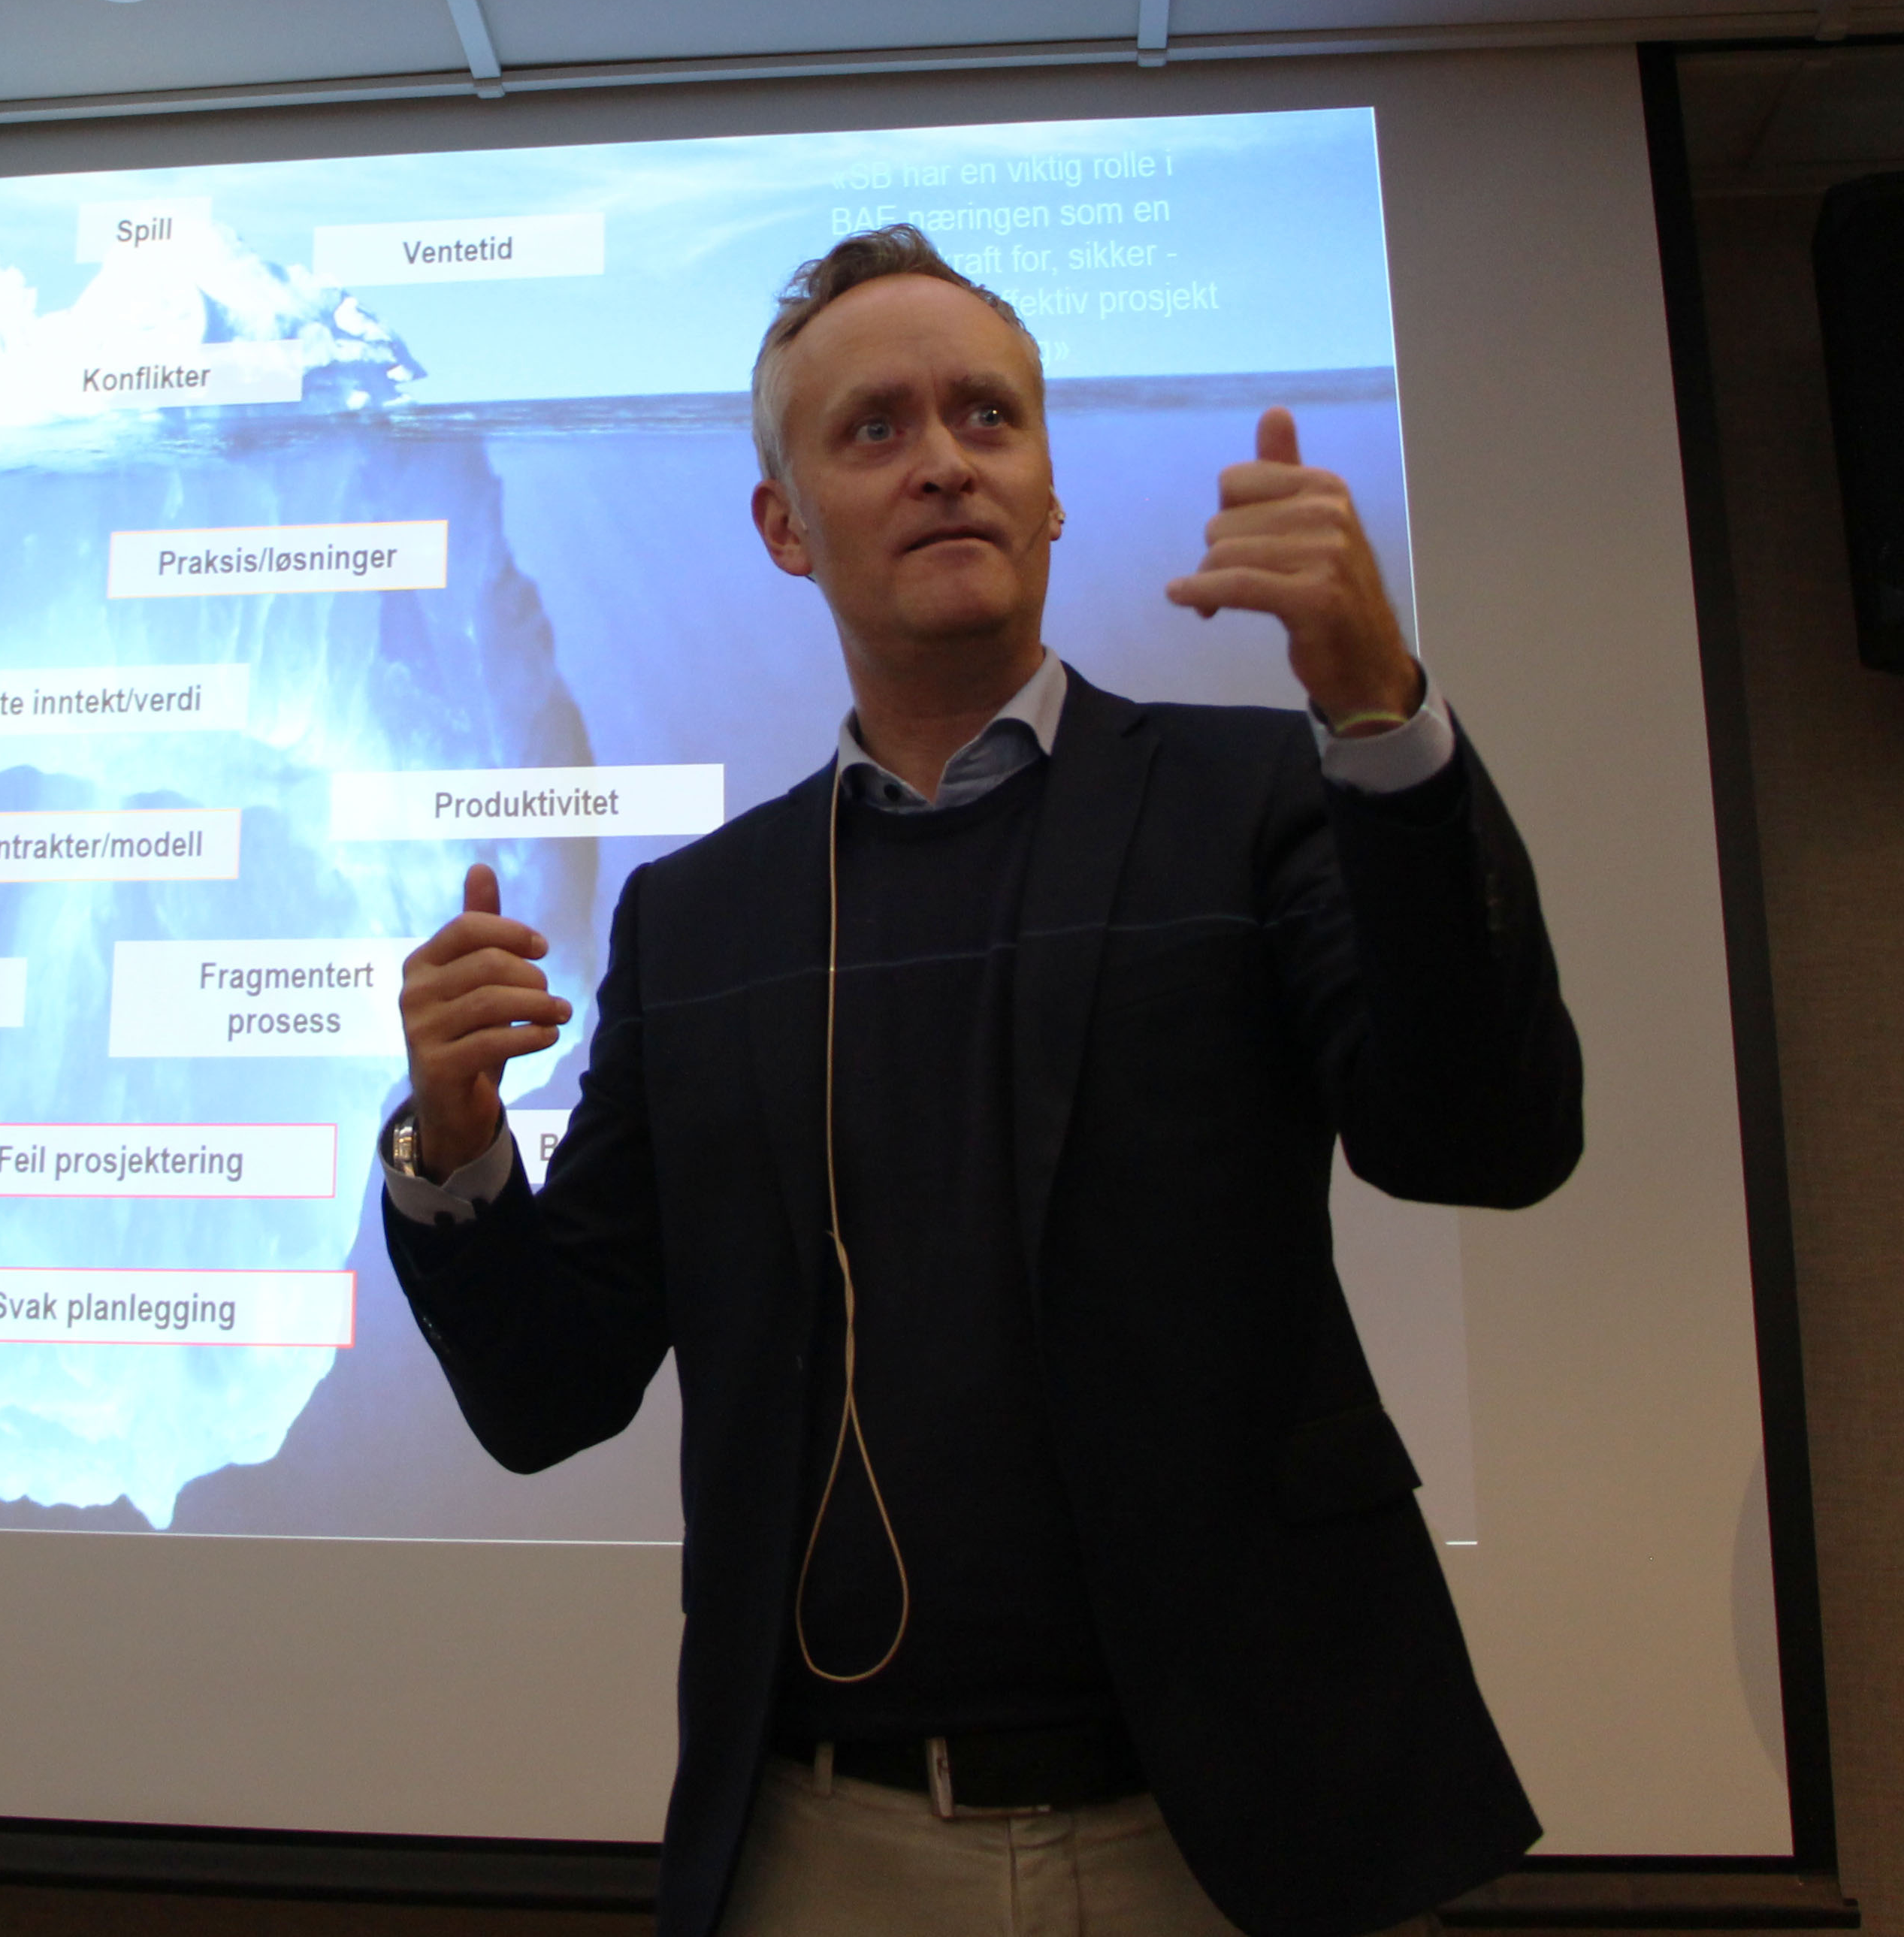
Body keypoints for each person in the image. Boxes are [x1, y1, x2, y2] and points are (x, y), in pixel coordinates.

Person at [377, 225, 1583, 1937]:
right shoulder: (700, 918)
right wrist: (452, 1147)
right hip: (830, 1843)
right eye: (875, 429)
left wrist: (1381, 721)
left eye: (989, 417)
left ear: (1051, 490)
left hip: (1244, 1825)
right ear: (784, 526)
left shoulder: (1255, 801)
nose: (944, 460)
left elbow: (1489, 1137)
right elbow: (551, 1393)